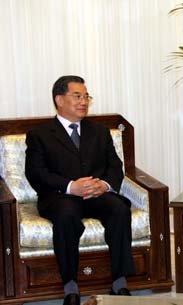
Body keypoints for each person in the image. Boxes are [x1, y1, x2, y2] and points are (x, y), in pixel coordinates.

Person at [25, 76, 135, 305]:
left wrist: (103, 185)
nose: (83, 101)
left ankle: (119, 282)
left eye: (86, 96)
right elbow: (36, 173)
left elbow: (115, 166)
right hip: (59, 196)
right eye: (77, 96)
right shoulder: (40, 134)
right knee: (66, 215)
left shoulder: (100, 131)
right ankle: (71, 286)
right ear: (59, 99)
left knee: (119, 209)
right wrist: (70, 186)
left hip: (96, 194)